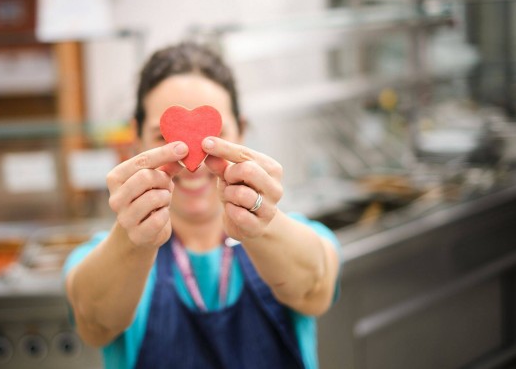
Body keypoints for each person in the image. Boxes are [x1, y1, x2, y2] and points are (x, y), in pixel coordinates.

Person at [64, 42, 341, 369]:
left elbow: (314, 289)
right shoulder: (108, 253)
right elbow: (95, 323)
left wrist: (263, 224)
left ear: (242, 131)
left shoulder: (297, 235)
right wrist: (131, 238)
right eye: (163, 138)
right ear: (136, 137)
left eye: (215, 135)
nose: (190, 162)